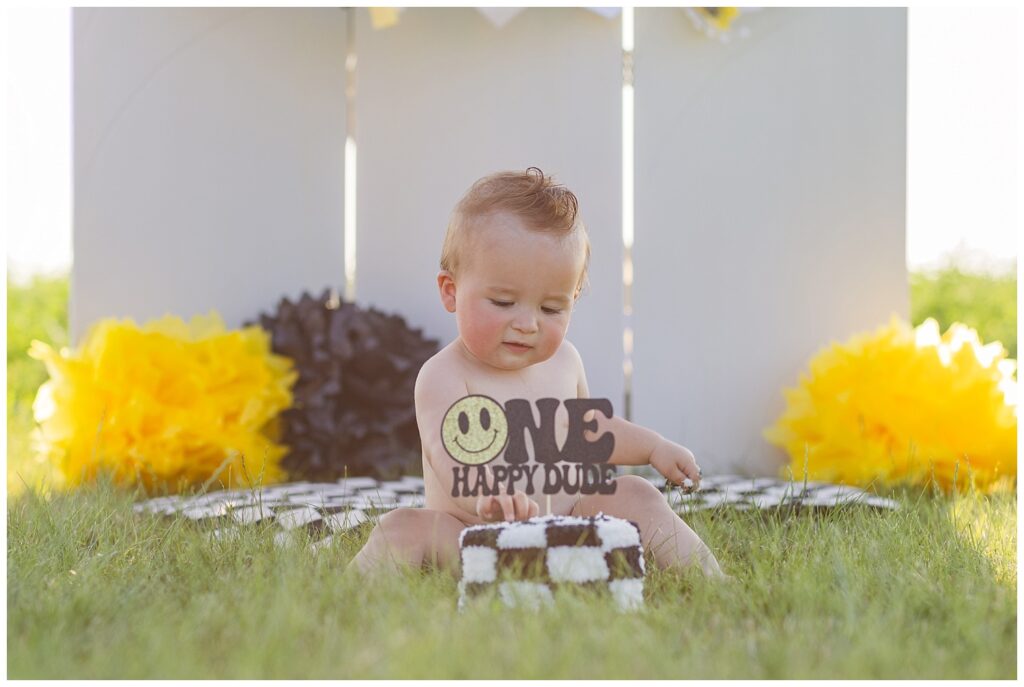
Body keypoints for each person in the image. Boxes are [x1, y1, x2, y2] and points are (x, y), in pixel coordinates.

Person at [348, 167, 724, 578]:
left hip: (570, 533)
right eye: (504, 302)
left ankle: (713, 581)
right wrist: (486, 494)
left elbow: (588, 435)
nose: (528, 323)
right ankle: (346, 602)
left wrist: (653, 447)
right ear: (451, 290)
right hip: (473, 541)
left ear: (574, 298)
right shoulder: (445, 375)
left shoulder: (564, 362)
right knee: (402, 526)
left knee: (635, 492)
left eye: (551, 309)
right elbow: (449, 455)